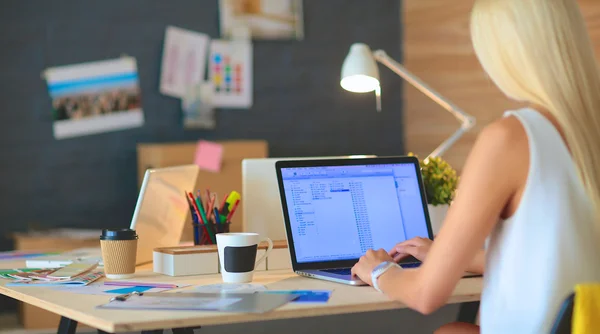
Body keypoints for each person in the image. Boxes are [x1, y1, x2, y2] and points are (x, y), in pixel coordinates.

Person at [350, 0, 600, 332]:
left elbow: (426, 295)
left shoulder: (511, 138)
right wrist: (447, 255)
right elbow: (556, 255)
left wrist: (379, 271)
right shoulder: (588, 131)